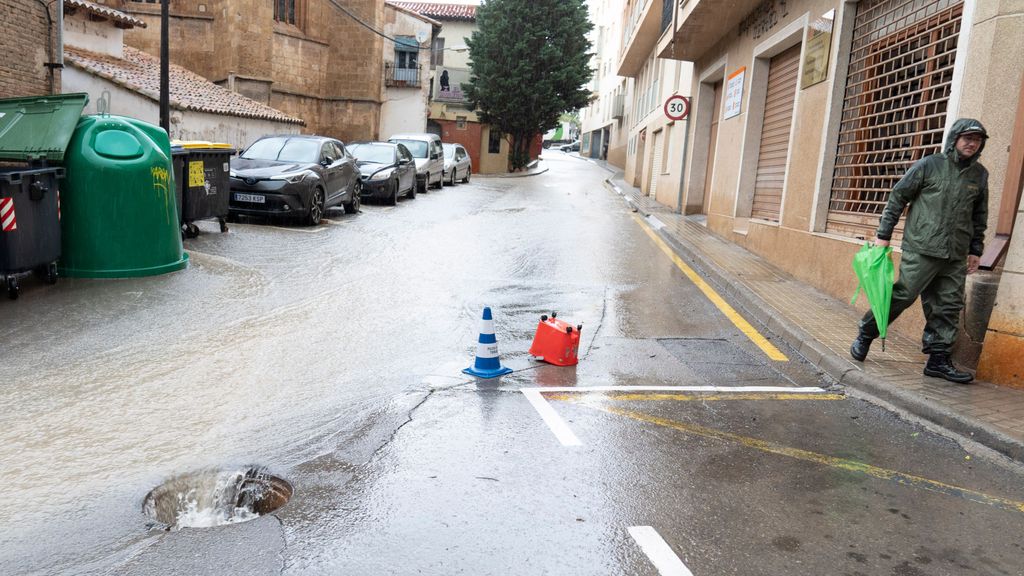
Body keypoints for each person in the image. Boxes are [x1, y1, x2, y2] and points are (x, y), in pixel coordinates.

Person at [849, 118, 990, 384]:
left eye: (977, 140)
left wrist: (975, 249)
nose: (972, 143)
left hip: (955, 254)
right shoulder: (930, 165)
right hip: (922, 249)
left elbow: (979, 215)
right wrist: (883, 236)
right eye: (967, 138)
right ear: (955, 139)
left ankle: (937, 361)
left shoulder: (980, 175)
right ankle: (866, 333)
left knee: (948, 306)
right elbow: (898, 197)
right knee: (903, 295)